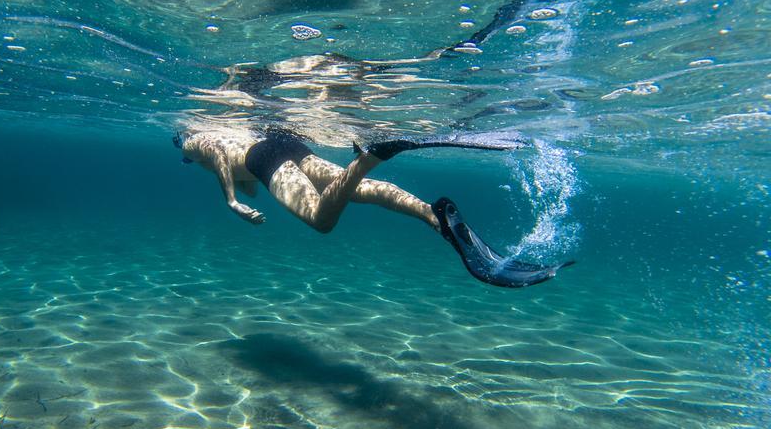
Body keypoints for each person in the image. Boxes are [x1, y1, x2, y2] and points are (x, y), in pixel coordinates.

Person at [174, 125, 572, 287]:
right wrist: (245, 193)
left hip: (267, 157)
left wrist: (230, 201)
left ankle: (370, 157)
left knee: (319, 218)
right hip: (284, 143)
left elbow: (217, 152)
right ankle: (431, 216)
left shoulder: (194, 141)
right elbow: (243, 176)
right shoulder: (226, 132)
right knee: (355, 191)